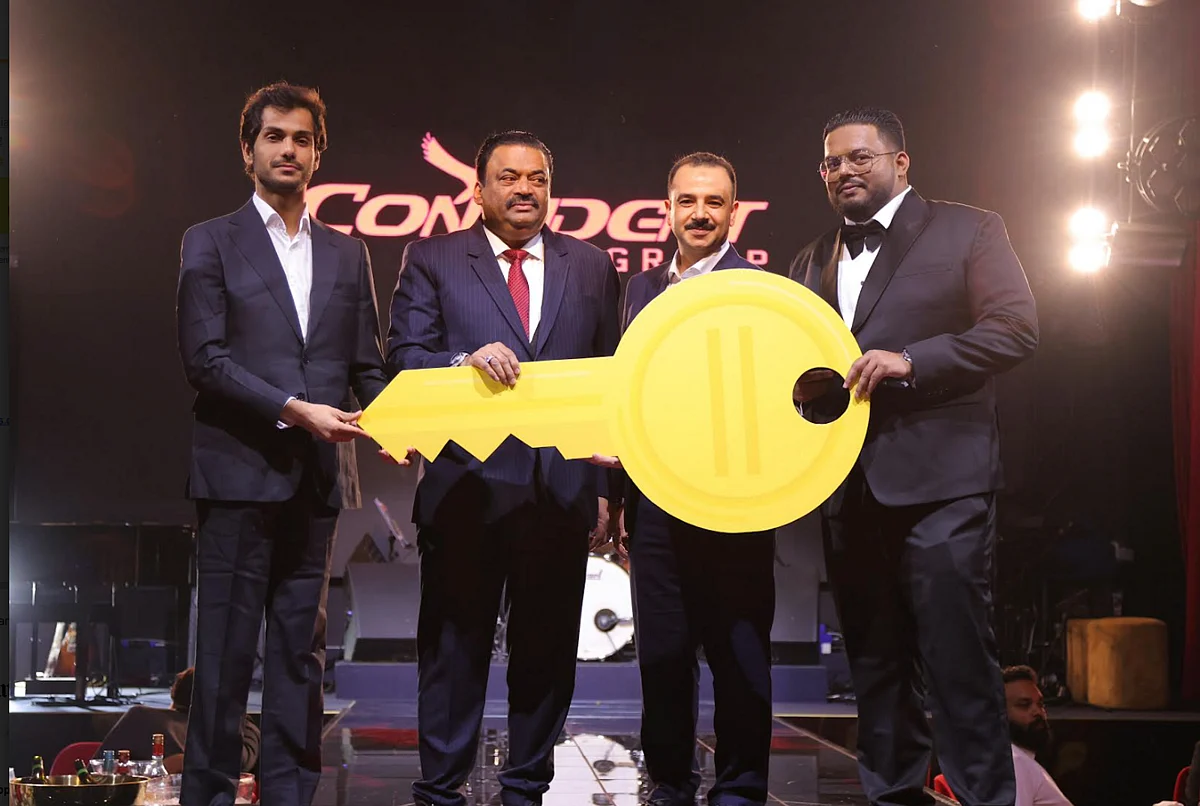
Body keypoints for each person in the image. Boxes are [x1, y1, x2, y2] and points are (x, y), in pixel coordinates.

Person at [788, 107, 1039, 806]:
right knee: (875, 665)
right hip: (848, 489)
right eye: (832, 162)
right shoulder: (810, 258)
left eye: (859, 157)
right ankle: (893, 796)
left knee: (958, 660)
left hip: (944, 484)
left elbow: (1016, 328)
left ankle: (984, 798)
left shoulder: (970, 229)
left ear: (901, 162)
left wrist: (913, 360)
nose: (844, 171)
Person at [176, 82, 396, 806]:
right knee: (224, 658)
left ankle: (291, 793)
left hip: (315, 481)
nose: (289, 149)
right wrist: (296, 411)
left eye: (302, 138)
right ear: (248, 152)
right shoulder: (209, 240)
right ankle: (209, 795)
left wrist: (404, 420)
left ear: (318, 153)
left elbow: (366, 366)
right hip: (237, 473)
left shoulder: (346, 253)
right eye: (274, 136)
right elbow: (205, 361)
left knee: (301, 656)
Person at [387, 130, 621, 806]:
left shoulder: (591, 266)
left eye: (537, 178)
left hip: (560, 493)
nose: (525, 190)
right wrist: (462, 362)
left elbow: (612, 383)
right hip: (466, 491)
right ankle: (441, 790)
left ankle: (526, 788)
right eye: (509, 177)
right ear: (479, 189)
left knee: (545, 656)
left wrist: (607, 491)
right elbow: (404, 357)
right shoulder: (432, 258)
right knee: (453, 653)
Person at [592, 152, 775, 806]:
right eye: (688, 201)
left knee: (740, 656)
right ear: (667, 209)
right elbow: (620, 396)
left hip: (736, 503)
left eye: (714, 202)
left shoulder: (761, 290)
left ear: (734, 212)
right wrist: (612, 500)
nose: (700, 213)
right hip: (656, 503)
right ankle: (670, 783)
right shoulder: (638, 289)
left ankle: (741, 789)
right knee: (664, 657)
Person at [96, 668, 261, 772]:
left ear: (174, 696)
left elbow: (94, 775)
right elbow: (241, 761)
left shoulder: (139, 717)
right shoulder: (236, 732)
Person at [1002, 666, 1073, 806]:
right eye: (1024, 705)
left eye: (1040, 704)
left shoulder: (1022, 760)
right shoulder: (1014, 761)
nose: (1038, 712)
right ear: (999, 714)